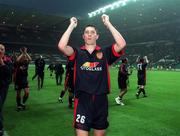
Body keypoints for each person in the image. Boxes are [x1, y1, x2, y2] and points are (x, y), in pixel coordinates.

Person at [58, 14, 126, 136]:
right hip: (82, 101)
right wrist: (71, 26)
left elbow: (121, 44)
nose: (89, 34)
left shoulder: (105, 52)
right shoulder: (77, 52)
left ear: (97, 36)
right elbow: (62, 46)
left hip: (101, 101)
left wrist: (108, 24)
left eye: (92, 32)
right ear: (83, 36)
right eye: (87, 32)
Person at [14, 47, 32, 111]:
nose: (25, 57)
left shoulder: (26, 62)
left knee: (27, 93)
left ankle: (22, 103)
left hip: (24, 79)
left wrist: (25, 53)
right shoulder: (18, 62)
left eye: (25, 56)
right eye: (24, 56)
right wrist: (22, 53)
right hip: (18, 79)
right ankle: (18, 105)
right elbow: (17, 60)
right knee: (18, 93)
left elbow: (30, 59)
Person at [0, 44, 11, 136]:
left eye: (2, 49)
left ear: (4, 51)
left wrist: (1, 62)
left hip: (3, 88)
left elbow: (9, 73)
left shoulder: (7, 60)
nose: (0, 50)